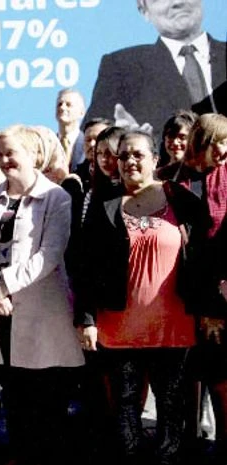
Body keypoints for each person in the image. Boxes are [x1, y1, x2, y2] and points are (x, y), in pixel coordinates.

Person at [76, 128, 205, 464]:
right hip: (119, 329)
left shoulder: (181, 199)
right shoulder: (104, 204)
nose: (129, 161)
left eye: (138, 154)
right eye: (123, 156)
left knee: (171, 409)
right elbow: (85, 266)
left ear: (155, 159)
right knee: (125, 409)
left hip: (174, 328)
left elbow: (203, 256)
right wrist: (87, 319)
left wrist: (210, 308)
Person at [0, 125, 84, 465]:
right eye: (0, 154)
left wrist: (4, 284)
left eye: (11, 153)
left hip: (43, 316)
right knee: (14, 401)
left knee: (46, 406)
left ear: (33, 155)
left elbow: (50, 255)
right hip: (0, 312)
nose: (4, 160)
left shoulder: (56, 197)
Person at [85, 0, 226, 136]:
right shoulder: (122, 67)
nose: (177, 2)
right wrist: (125, 140)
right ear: (144, 11)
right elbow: (92, 134)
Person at [172, 114, 227, 460]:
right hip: (177, 299)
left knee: (220, 378)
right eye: (215, 142)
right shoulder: (174, 181)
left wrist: (212, 309)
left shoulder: (226, 179)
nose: (222, 150)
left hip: (216, 300)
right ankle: (187, 445)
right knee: (184, 379)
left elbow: (218, 248)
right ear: (200, 142)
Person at [157, 110, 199, 179]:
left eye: (182, 137)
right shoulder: (156, 176)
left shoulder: (202, 175)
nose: (175, 142)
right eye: (171, 136)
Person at [54, 88, 86, 171]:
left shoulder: (88, 144)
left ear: (81, 112)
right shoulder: (49, 145)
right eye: (59, 104)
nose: (62, 108)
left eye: (68, 105)